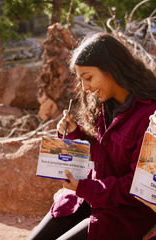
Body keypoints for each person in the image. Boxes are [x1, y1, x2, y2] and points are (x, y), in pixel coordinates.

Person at [27, 32, 156, 240]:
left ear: (112, 70)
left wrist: (86, 187)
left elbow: (135, 186)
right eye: (81, 79)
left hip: (122, 212)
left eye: (88, 78)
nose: (85, 88)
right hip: (88, 197)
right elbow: (101, 153)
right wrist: (74, 134)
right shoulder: (104, 103)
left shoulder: (149, 116)